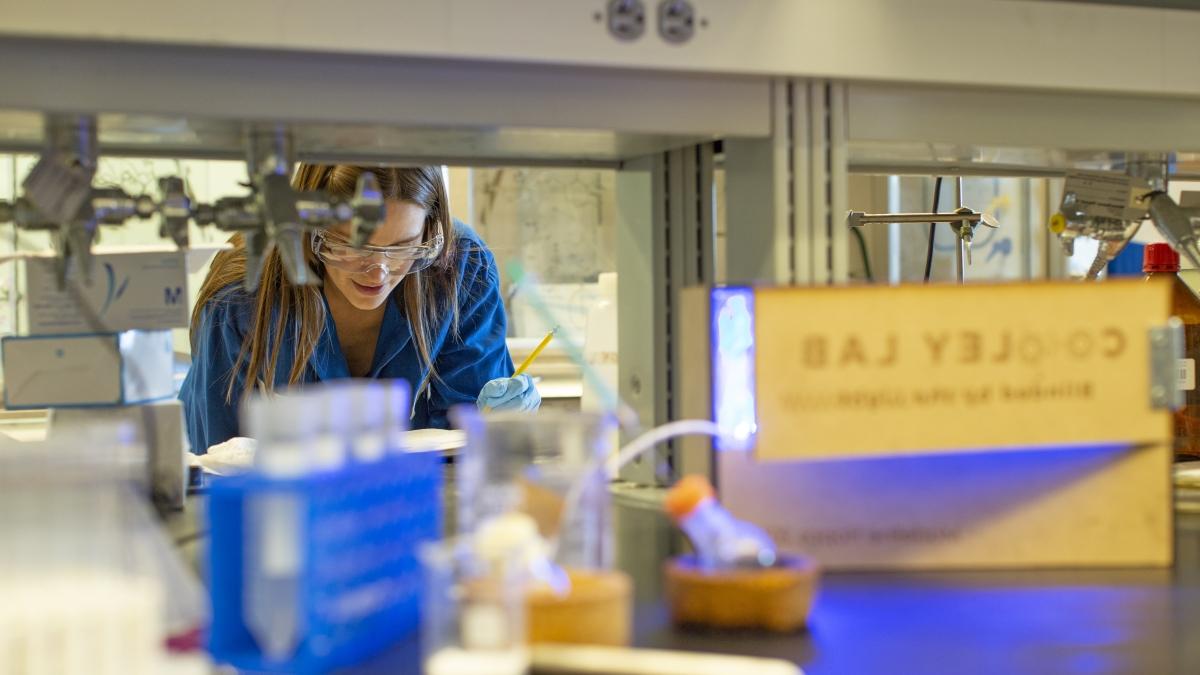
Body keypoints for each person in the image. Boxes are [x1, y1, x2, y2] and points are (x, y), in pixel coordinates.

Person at [180, 164, 540, 452]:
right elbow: (214, 456)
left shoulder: (459, 265)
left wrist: (497, 424)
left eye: (403, 247)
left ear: (430, 233)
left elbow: (468, 437)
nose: (378, 272)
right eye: (353, 246)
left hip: (403, 497)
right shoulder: (244, 287)